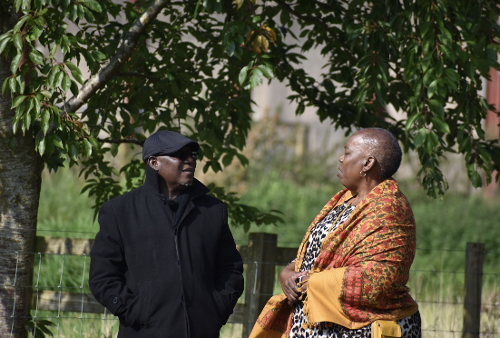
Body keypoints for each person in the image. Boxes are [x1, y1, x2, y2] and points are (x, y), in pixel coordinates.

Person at [249, 128, 421, 338]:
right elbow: (318, 253)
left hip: (362, 328)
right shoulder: (344, 201)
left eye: (347, 153)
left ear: (368, 163)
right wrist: (288, 272)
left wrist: (307, 282)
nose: (341, 158)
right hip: (313, 324)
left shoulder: (390, 209)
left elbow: (378, 279)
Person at [89, 130, 244, 338]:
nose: (190, 161)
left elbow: (231, 269)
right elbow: (102, 277)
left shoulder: (213, 210)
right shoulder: (120, 211)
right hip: (145, 332)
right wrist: (137, 312)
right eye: (180, 155)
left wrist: (216, 310)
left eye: (192, 155)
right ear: (154, 163)